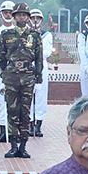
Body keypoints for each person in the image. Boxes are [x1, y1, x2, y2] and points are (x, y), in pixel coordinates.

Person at [0, 2, 42, 159]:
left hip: (28, 77)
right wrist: (5, 73)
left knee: (25, 112)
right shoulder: (6, 35)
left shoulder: (35, 36)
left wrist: (38, 76)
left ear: (28, 18)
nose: (21, 17)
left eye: (24, 15)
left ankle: (23, 146)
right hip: (11, 77)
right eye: (18, 15)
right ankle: (13, 146)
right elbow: (1, 58)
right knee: (12, 111)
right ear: (14, 17)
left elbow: (39, 58)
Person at [0, 1, 15, 144]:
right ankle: (2, 131)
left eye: (10, 12)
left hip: (14, 73)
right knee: (1, 102)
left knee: (13, 103)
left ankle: (12, 132)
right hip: (1, 72)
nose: (7, 15)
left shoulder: (18, 32)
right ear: (1, 14)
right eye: (5, 12)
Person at [29, 9, 54, 137]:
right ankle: (30, 123)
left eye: (37, 18)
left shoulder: (46, 35)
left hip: (41, 66)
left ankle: (38, 124)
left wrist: (36, 53)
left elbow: (48, 51)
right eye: (33, 18)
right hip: (29, 66)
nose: (35, 20)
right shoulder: (26, 34)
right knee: (28, 95)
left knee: (41, 96)